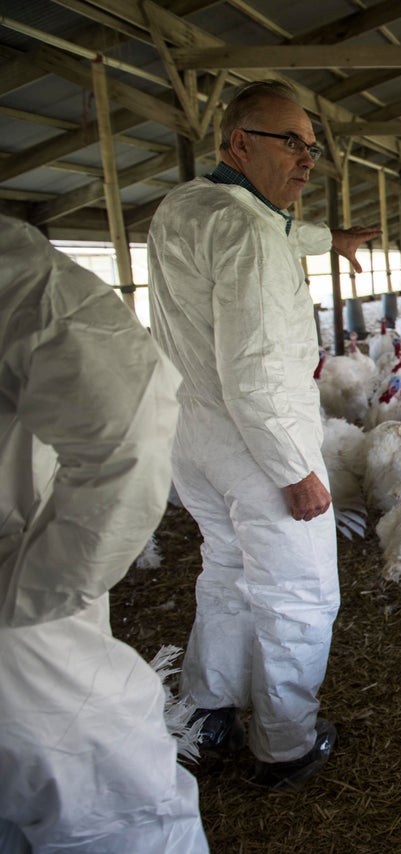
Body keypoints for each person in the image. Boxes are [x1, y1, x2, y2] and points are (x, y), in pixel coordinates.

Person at [147, 80, 380, 790]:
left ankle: (209, 705)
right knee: (300, 595)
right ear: (238, 141)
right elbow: (249, 372)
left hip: (194, 437)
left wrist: (330, 239)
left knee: (226, 571)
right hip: (257, 447)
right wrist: (295, 471)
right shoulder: (249, 232)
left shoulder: (186, 207)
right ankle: (285, 745)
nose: (308, 160)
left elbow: (266, 222)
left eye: (312, 148)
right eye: (291, 143)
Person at [0, 215, 208, 851]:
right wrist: (48, 585)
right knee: (115, 812)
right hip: (19, 637)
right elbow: (132, 413)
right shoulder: (19, 272)